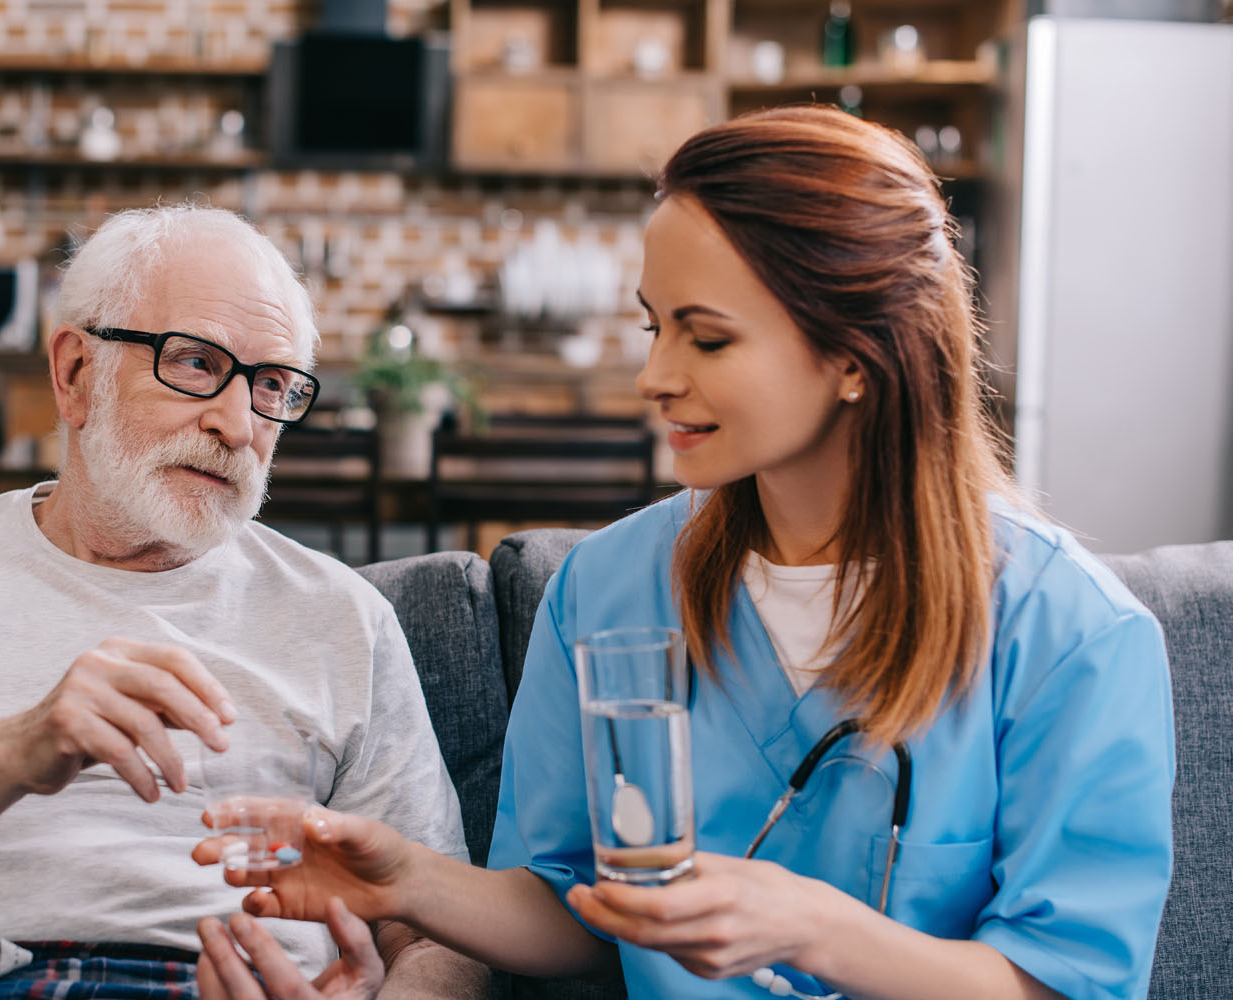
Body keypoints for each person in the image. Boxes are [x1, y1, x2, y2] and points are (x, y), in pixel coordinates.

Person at [192, 107, 1176, 1000]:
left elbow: (1067, 984)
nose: (654, 377)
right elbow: (572, 908)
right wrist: (407, 878)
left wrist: (812, 925)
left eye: (706, 339)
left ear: (852, 354)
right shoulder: (606, 589)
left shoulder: (1073, 634)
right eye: (653, 327)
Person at [0, 205, 487, 1000]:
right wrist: (20, 749)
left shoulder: (341, 611)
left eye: (271, 385)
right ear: (75, 374)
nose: (237, 424)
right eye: (196, 363)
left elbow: (446, 933)